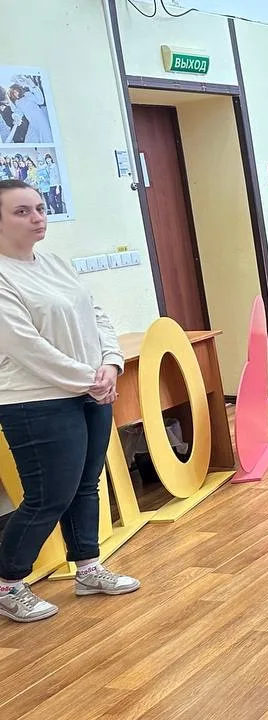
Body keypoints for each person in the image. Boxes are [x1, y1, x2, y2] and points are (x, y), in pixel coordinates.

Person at [0, 180, 140, 622]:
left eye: (40, 208)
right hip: (36, 401)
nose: (37, 218)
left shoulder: (54, 263)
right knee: (48, 496)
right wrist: (90, 379)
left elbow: (96, 315)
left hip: (89, 391)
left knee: (85, 484)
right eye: (22, 211)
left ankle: (88, 567)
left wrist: (111, 363)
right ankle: (7, 584)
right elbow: (27, 347)